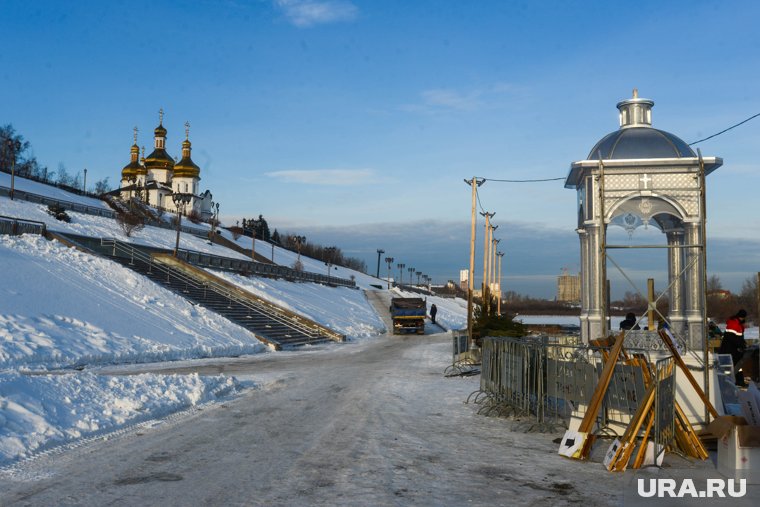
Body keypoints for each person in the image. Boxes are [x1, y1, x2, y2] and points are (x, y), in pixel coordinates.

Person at [718, 309, 748, 386]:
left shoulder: (738, 324)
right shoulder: (733, 324)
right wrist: (742, 345)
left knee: (737, 365)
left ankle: (739, 381)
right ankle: (730, 381)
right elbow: (732, 338)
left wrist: (743, 344)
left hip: (733, 349)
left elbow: (739, 337)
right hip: (729, 350)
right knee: (732, 366)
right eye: (743, 317)